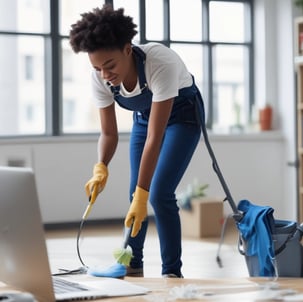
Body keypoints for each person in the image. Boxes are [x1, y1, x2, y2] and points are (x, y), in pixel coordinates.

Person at [69, 4, 205, 278]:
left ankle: (171, 273)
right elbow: (108, 133)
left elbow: (156, 138)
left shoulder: (159, 62)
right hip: (145, 116)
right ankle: (131, 262)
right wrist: (101, 167)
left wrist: (144, 193)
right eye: (97, 68)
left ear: (127, 49)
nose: (105, 75)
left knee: (157, 193)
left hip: (182, 114)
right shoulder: (100, 78)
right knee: (136, 193)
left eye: (110, 65)